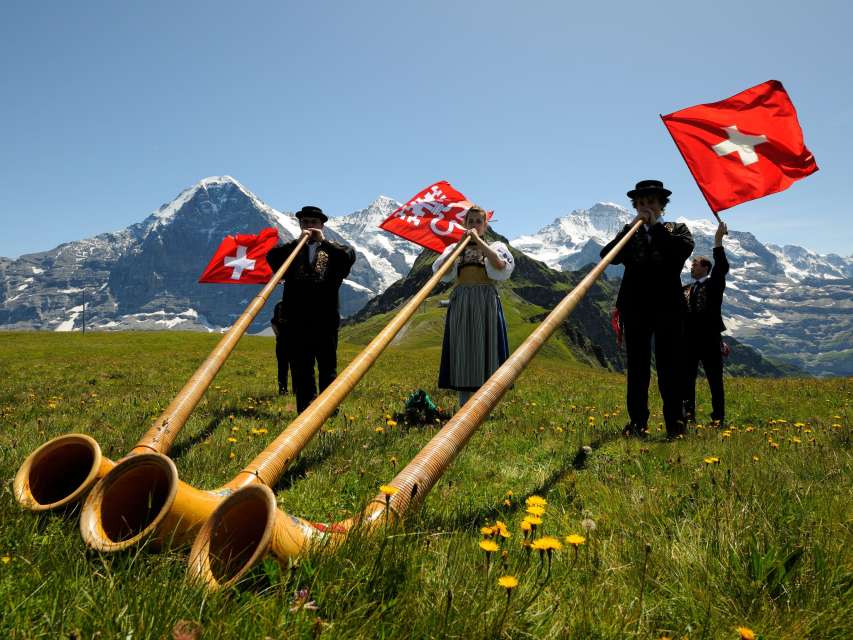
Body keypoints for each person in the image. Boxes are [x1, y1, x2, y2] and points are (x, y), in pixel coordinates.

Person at [600, 180, 694, 439]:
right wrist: (628, 231)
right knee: (637, 368)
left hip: (669, 308)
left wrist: (655, 227)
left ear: (662, 205)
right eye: (640, 203)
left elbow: (680, 252)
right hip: (635, 308)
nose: (645, 208)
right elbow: (607, 256)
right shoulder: (630, 234)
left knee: (670, 367)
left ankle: (675, 424)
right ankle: (638, 422)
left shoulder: (678, 230)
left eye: (651, 202)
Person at [266, 206, 356, 413]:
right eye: (305, 222)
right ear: (300, 225)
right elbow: (272, 258)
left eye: (314, 223)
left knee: (327, 367)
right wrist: (297, 243)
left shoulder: (333, 250)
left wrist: (323, 241)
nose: (309, 226)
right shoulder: (292, 251)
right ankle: (305, 411)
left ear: (322, 225)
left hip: (325, 320)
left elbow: (348, 257)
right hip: (297, 321)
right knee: (301, 368)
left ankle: (328, 411)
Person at [433, 205, 515, 407]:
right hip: (462, 300)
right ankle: (463, 405)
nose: (475, 225)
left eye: (479, 221)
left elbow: (500, 265)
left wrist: (478, 242)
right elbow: (441, 270)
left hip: (485, 300)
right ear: (465, 224)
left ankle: (485, 405)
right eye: (471, 221)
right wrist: (461, 244)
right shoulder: (454, 249)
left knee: (487, 347)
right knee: (463, 348)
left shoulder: (495, 246)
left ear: (485, 225)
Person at [683, 220, 730, 425]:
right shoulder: (686, 289)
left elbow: (722, 267)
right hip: (689, 340)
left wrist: (717, 241)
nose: (692, 267)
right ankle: (688, 416)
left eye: (695, 264)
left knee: (715, 380)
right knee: (687, 380)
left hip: (710, 339)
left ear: (705, 267)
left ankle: (718, 417)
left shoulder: (714, 284)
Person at [270, 301, 291, 395]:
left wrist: (279, 335)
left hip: (281, 343)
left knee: (282, 368)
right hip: (293, 342)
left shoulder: (278, 306)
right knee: (296, 368)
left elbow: (274, 327)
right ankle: (296, 390)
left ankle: (282, 390)